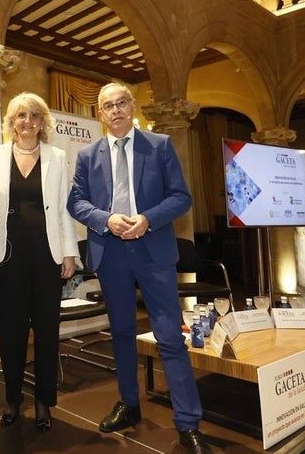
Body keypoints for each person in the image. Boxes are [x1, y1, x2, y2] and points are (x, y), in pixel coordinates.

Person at [67, 82, 212, 454]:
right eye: (107, 106)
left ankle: (188, 423)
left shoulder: (159, 145)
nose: (115, 110)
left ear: (132, 107)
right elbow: (76, 202)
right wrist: (105, 218)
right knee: (121, 333)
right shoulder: (87, 155)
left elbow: (181, 197)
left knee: (168, 337)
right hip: (111, 253)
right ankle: (129, 405)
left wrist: (148, 218)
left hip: (153, 250)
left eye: (121, 103)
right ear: (100, 113)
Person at [0, 92, 78, 433]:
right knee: (10, 332)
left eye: (35, 115)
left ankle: (43, 401)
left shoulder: (57, 156)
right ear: (11, 121)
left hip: (47, 255)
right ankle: (13, 401)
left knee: (47, 332)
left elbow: (65, 208)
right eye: (21, 115)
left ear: (43, 122)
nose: (28, 121)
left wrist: (70, 251)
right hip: (8, 257)